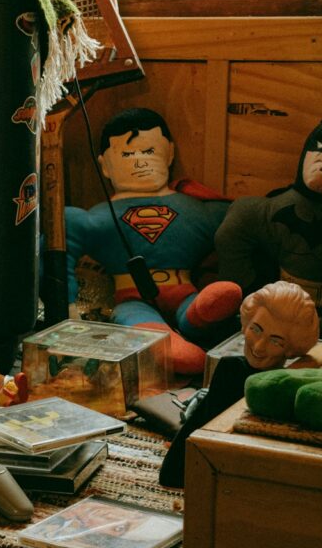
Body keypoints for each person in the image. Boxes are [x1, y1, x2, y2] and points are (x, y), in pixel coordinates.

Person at [64, 108, 238, 374]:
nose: (139, 161)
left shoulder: (200, 210)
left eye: (147, 152)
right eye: (127, 153)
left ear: (169, 153)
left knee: (205, 306)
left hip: (186, 291)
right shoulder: (98, 218)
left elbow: (241, 222)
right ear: (105, 165)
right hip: (131, 298)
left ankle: (201, 313)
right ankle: (164, 342)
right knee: (139, 323)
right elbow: (63, 239)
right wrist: (68, 306)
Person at [158, 280, 319, 487]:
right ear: (245, 324)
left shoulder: (250, 376)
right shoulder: (231, 371)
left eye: (275, 340)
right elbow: (177, 467)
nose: (259, 347)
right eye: (256, 329)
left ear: (291, 348)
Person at [215, 119, 322, 338]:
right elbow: (231, 235)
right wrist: (249, 290)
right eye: (320, 150)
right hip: (277, 306)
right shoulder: (273, 210)